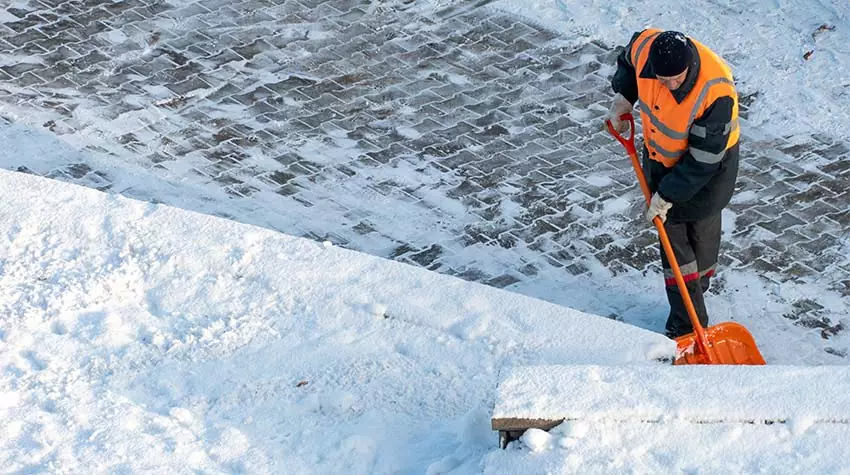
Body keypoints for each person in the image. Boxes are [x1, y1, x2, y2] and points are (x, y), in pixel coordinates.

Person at [607, 29, 740, 339]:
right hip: (659, 159)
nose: (667, 86)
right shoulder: (645, 49)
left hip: (708, 172)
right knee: (675, 251)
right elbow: (628, 63)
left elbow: (703, 160)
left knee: (703, 242)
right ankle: (686, 327)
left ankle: (696, 290)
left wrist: (666, 196)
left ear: (689, 67)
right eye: (661, 79)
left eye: (675, 81)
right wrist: (623, 98)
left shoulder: (715, 90)